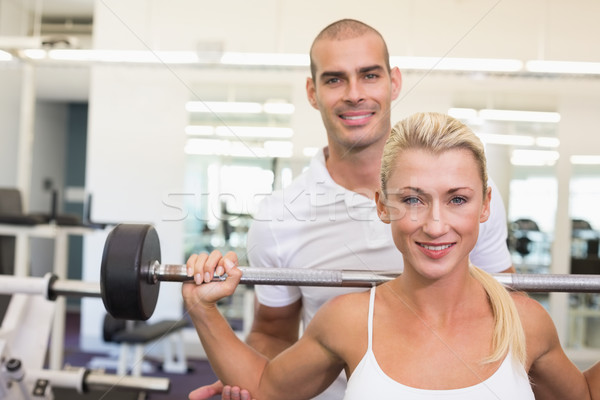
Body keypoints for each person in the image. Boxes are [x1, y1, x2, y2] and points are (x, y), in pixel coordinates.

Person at [189, 19, 514, 400]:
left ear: (394, 81)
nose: (354, 94)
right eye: (334, 80)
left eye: (369, 75)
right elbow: (273, 332)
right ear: (312, 92)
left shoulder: (467, 196)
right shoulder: (278, 218)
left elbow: (509, 307)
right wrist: (252, 376)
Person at [183, 112, 600, 400]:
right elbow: (266, 386)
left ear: (486, 205)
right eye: (413, 200)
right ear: (383, 205)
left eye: (457, 199)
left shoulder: (525, 323)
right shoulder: (348, 320)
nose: (436, 225)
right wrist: (202, 309)